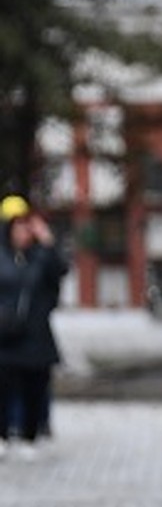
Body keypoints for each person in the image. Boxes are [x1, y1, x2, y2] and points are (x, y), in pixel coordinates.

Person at [0, 195, 69, 458]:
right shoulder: (4, 257)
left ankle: (31, 433)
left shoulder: (41, 256)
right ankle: (4, 433)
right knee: (4, 388)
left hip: (36, 335)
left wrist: (48, 242)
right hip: (6, 334)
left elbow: (59, 273)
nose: (24, 232)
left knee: (34, 388)